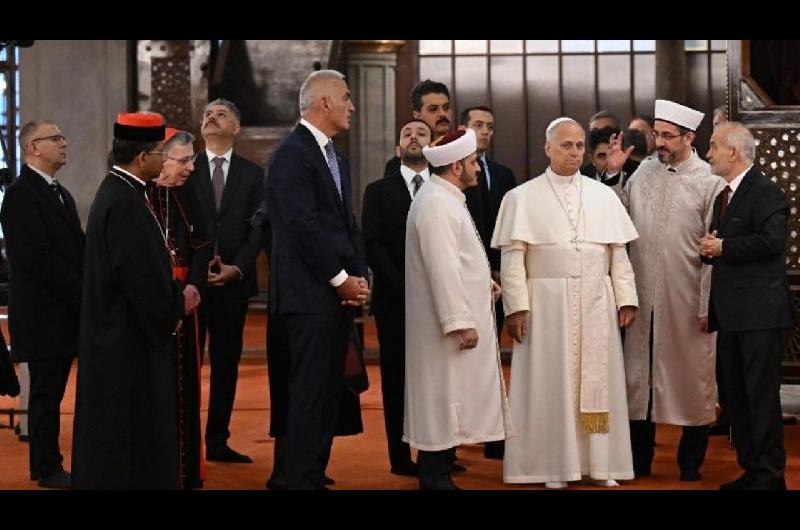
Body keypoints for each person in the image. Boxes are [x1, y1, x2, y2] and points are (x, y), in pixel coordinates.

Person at [491, 117, 638, 488]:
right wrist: (516, 307)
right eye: (566, 145)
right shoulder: (520, 197)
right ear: (548, 148)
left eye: (579, 146)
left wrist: (627, 299)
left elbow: (618, 252)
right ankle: (553, 467)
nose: (574, 152)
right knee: (551, 383)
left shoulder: (603, 196)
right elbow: (512, 258)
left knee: (599, 383)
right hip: (546, 306)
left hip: (596, 300)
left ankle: (601, 466)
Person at [607, 99, 727, 481]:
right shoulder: (644, 171)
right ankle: (639, 461)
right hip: (643, 297)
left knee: (691, 380)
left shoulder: (710, 181)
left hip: (687, 299)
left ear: (689, 138)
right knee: (638, 380)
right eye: (657, 134)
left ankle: (690, 463)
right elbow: (619, 216)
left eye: (667, 136)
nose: (659, 142)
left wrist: (707, 305)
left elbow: (713, 252)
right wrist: (614, 175)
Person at [265, 69, 370, 490]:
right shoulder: (292, 154)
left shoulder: (333, 156)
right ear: (324, 102)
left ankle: (312, 472)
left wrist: (358, 276)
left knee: (328, 392)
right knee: (309, 393)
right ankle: (300, 478)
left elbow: (346, 224)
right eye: (346, 97)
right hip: (308, 298)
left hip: (334, 295)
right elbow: (301, 226)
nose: (351, 106)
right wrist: (340, 278)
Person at [72, 113, 185, 489]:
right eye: (161, 152)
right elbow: (142, 281)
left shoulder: (123, 191)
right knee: (128, 442)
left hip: (120, 336)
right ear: (142, 157)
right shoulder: (124, 202)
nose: (164, 159)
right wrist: (174, 308)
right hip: (125, 342)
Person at [404, 128, 510, 490]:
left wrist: (483, 283)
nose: (478, 168)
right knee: (441, 398)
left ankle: (439, 471)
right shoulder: (436, 203)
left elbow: (458, 261)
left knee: (448, 398)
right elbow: (442, 268)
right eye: (473, 162)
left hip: (448, 322)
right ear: (456, 166)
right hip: (443, 328)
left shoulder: (445, 198)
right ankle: (434, 477)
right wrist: (459, 321)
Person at [701, 122, 795, 489]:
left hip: (760, 316)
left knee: (760, 398)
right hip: (731, 315)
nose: (708, 153)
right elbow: (725, 244)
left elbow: (771, 242)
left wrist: (723, 247)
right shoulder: (724, 195)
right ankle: (752, 470)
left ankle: (770, 477)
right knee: (736, 399)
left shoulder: (767, 193)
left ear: (734, 152)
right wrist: (711, 247)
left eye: (713, 146)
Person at [0, 120, 84, 489]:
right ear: (33, 147)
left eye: (63, 136)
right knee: (46, 395)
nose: (64, 142)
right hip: (42, 314)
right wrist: (82, 290)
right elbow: (37, 258)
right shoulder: (21, 195)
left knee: (53, 392)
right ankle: (46, 466)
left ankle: (46, 463)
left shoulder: (59, 192)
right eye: (55, 138)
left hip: (62, 311)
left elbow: (76, 247)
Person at [187, 98, 264, 464]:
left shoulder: (252, 173)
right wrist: (197, 269)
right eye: (207, 114)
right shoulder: (187, 168)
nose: (211, 118)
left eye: (221, 115)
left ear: (236, 128)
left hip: (234, 283)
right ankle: (186, 441)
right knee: (187, 364)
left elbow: (258, 227)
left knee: (226, 364)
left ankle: (217, 440)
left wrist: (239, 267)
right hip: (193, 284)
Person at [362, 119, 432, 477]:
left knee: (439, 379)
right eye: (407, 133)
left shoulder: (446, 190)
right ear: (397, 149)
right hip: (394, 301)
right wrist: (406, 286)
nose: (414, 137)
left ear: (433, 147)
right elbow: (372, 245)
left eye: (421, 134)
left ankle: (440, 455)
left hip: (440, 302)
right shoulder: (378, 191)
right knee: (396, 380)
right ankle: (400, 457)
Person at [148, 128, 211, 489]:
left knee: (186, 388)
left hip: (188, 302)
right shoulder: (137, 195)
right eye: (185, 160)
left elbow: (202, 245)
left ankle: (186, 470)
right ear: (162, 157)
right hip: (154, 303)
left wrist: (192, 287)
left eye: (193, 160)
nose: (191, 168)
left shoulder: (188, 192)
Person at [459, 104, 517, 460]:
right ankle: (463, 428)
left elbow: (509, 225)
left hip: (497, 276)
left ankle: (493, 432)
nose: (485, 131)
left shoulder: (504, 174)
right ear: (464, 128)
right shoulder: (452, 173)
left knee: (492, 355)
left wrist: (500, 269)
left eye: (490, 126)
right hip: (466, 274)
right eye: (478, 125)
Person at [383, 79, 452, 177]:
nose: (442, 114)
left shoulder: (464, 155)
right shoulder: (398, 165)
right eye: (433, 109)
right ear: (417, 115)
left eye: (446, 107)